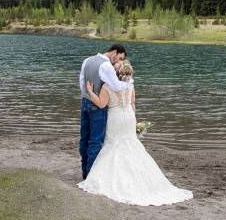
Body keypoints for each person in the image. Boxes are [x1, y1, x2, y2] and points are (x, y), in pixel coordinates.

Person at [78, 60, 193, 206]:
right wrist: (134, 120)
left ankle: (114, 178)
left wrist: (89, 91)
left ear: (116, 74)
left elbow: (101, 104)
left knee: (113, 146)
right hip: (129, 117)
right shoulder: (130, 86)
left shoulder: (107, 86)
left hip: (116, 118)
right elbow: (132, 104)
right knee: (131, 145)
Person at [79, 44, 131, 179]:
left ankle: (84, 171)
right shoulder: (106, 65)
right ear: (114, 52)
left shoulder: (87, 60)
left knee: (84, 137)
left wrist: (87, 94)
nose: (118, 61)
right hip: (97, 106)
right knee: (95, 140)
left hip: (84, 102)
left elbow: (82, 82)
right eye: (119, 57)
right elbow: (116, 86)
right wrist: (129, 82)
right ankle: (90, 176)